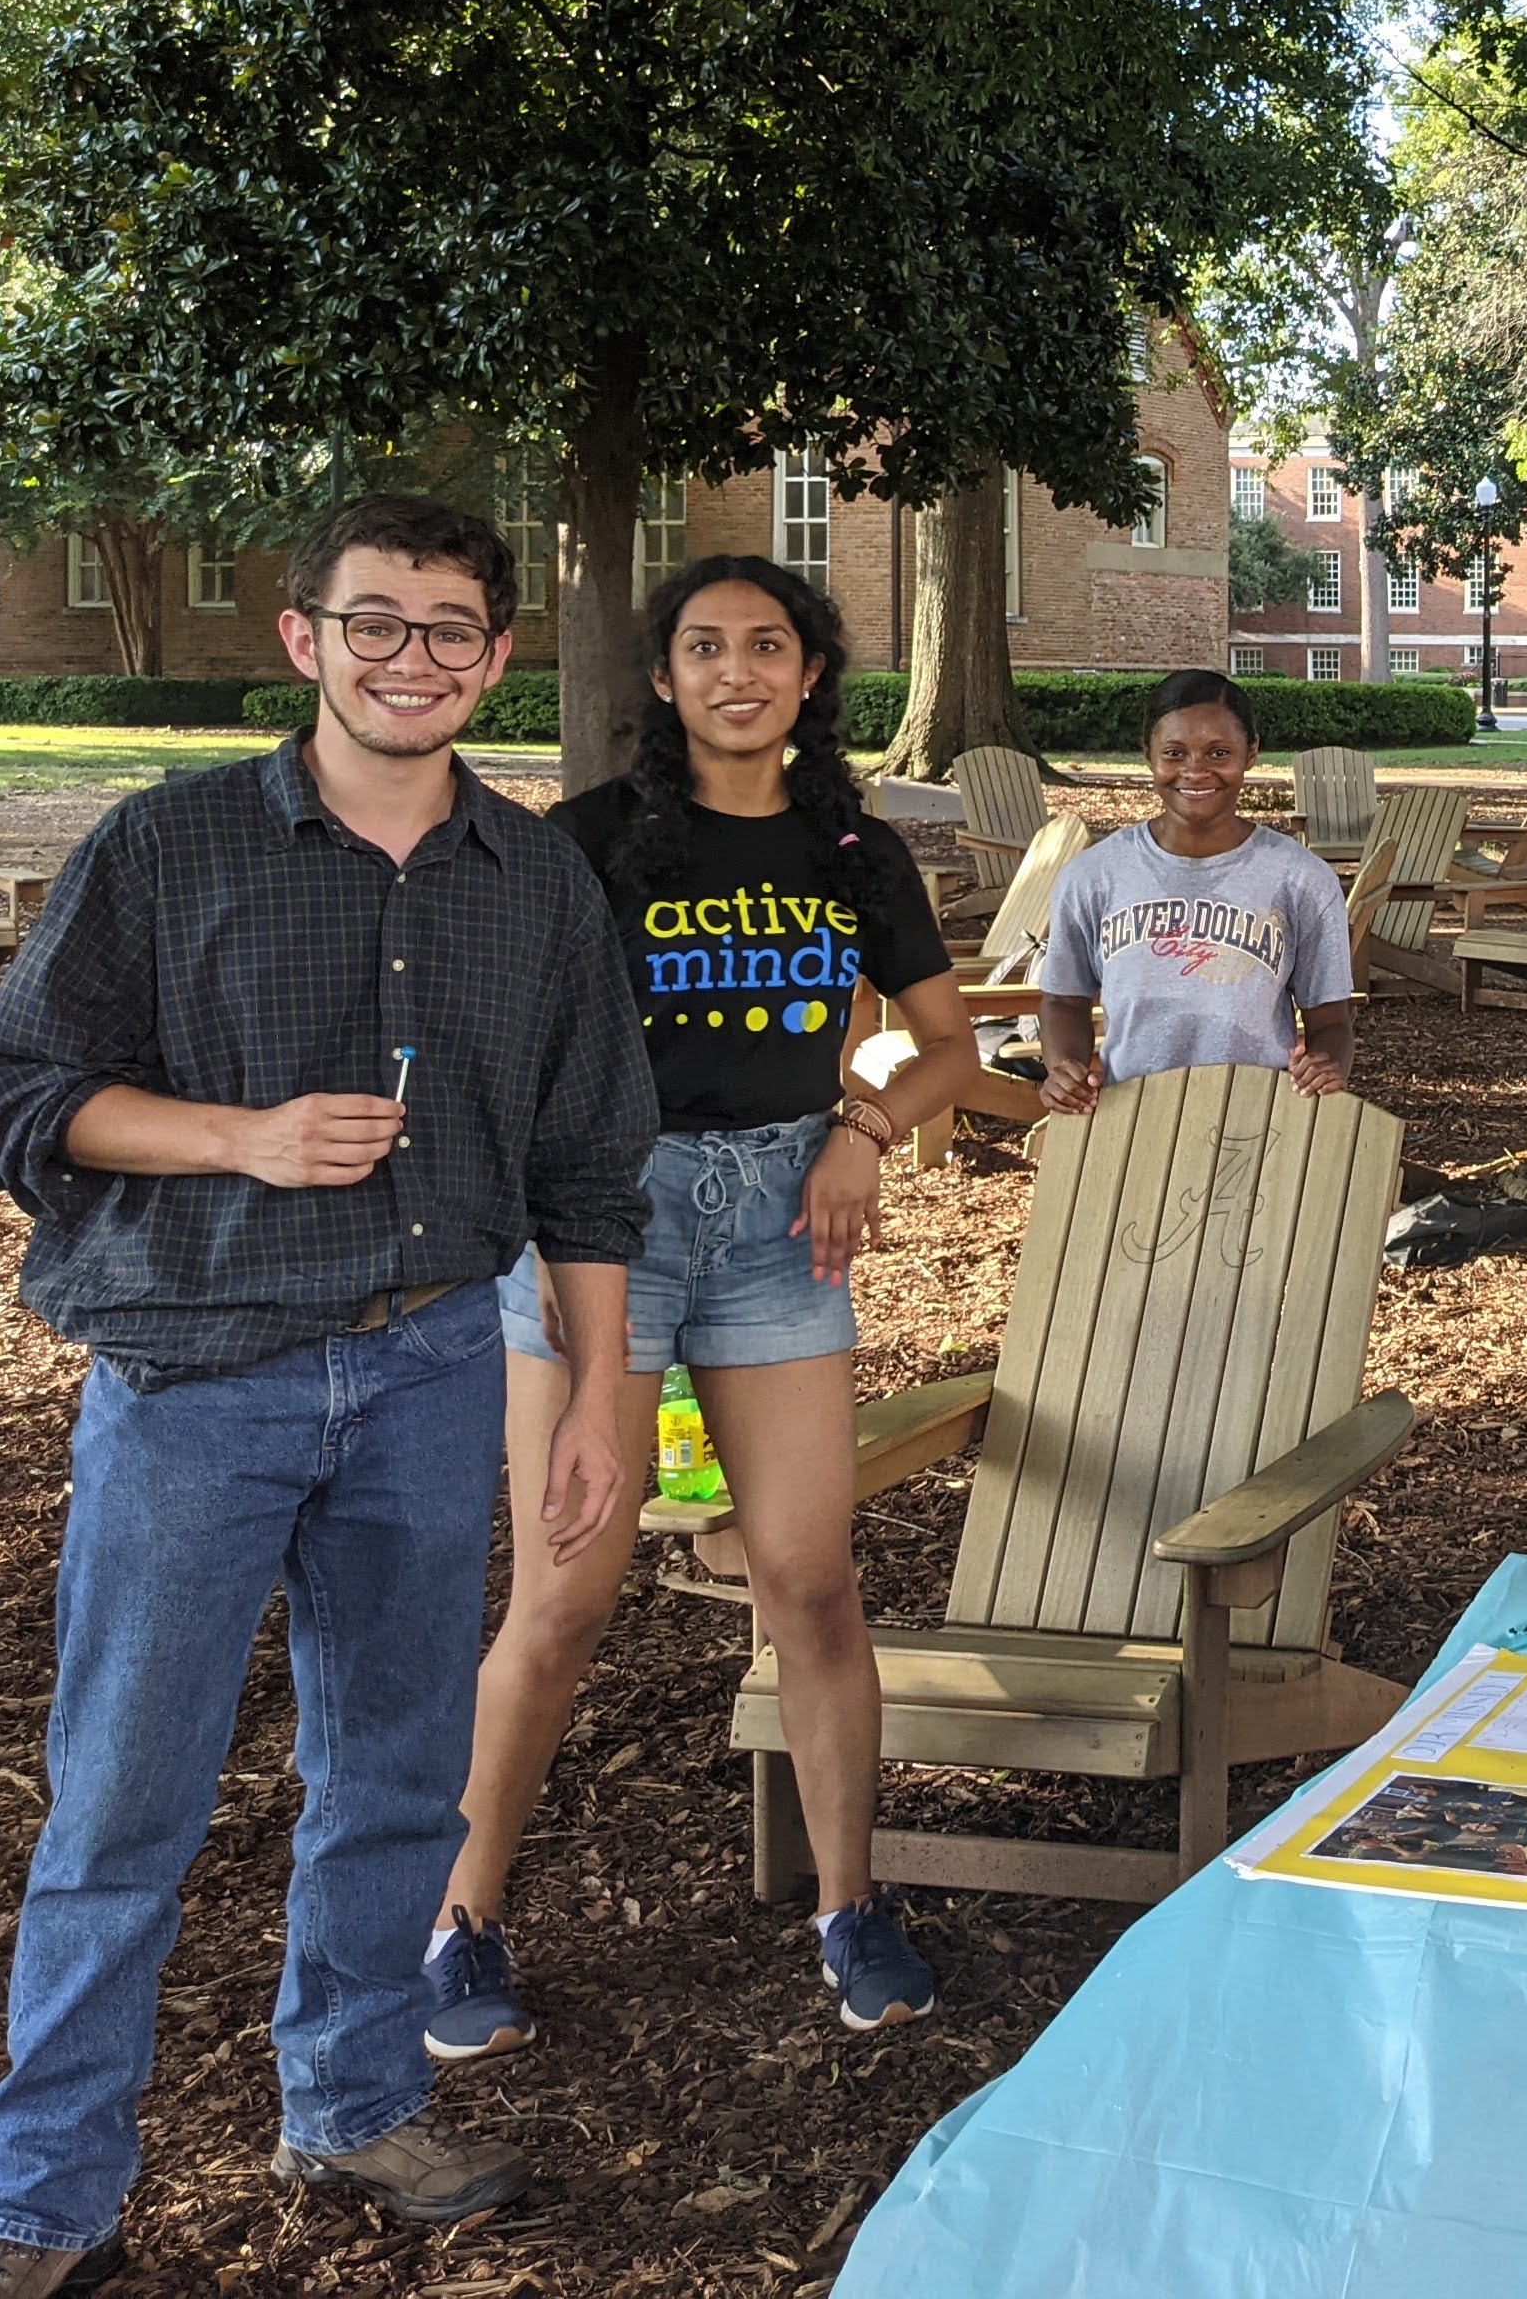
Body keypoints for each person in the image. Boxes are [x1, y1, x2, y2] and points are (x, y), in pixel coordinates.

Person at [0, 496, 657, 2299]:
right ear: (303, 639)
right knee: (122, 1797)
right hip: (197, 1379)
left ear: (496, 654)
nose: (411, 655)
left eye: (449, 628)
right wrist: (235, 1138)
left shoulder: (536, 876)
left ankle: (348, 2097)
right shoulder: (170, 849)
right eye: (375, 621)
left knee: (398, 1772)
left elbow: (587, 1158)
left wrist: (596, 1398)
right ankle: (38, 2200)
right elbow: (13, 1093)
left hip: (429, 1367)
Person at [422, 557, 984, 2066]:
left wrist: (865, 1134)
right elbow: (507, 1057)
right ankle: (458, 1919)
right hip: (609, 1217)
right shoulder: (592, 843)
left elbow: (942, 1047)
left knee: (809, 1579)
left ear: (812, 677)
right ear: (663, 680)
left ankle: (849, 1906)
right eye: (705, 647)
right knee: (567, 1592)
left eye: (770, 646)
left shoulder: (856, 850)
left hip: (782, 1226)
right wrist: (545, 1228)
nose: (739, 669)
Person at [1038, 671, 1355, 1114]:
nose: (1195, 770)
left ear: (1252, 752)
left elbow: (1332, 1020)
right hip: (1128, 1118)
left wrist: (1325, 1067)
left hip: (1260, 1118)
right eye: (1174, 753)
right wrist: (1063, 1070)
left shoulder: (1301, 879)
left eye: (1219, 753)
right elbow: (1063, 1001)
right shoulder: (1093, 876)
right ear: (1148, 756)